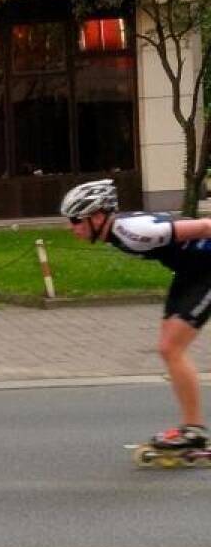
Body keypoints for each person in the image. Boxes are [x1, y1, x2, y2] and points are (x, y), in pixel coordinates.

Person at [61, 178, 211, 453]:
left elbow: (204, 226)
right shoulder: (117, 231)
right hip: (191, 272)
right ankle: (193, 428)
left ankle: (194, 431)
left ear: (97, 216)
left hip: (206, 270)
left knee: (171, 348)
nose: (71, 228)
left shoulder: (132, 231)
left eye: (75, 220)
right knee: (168, 349)